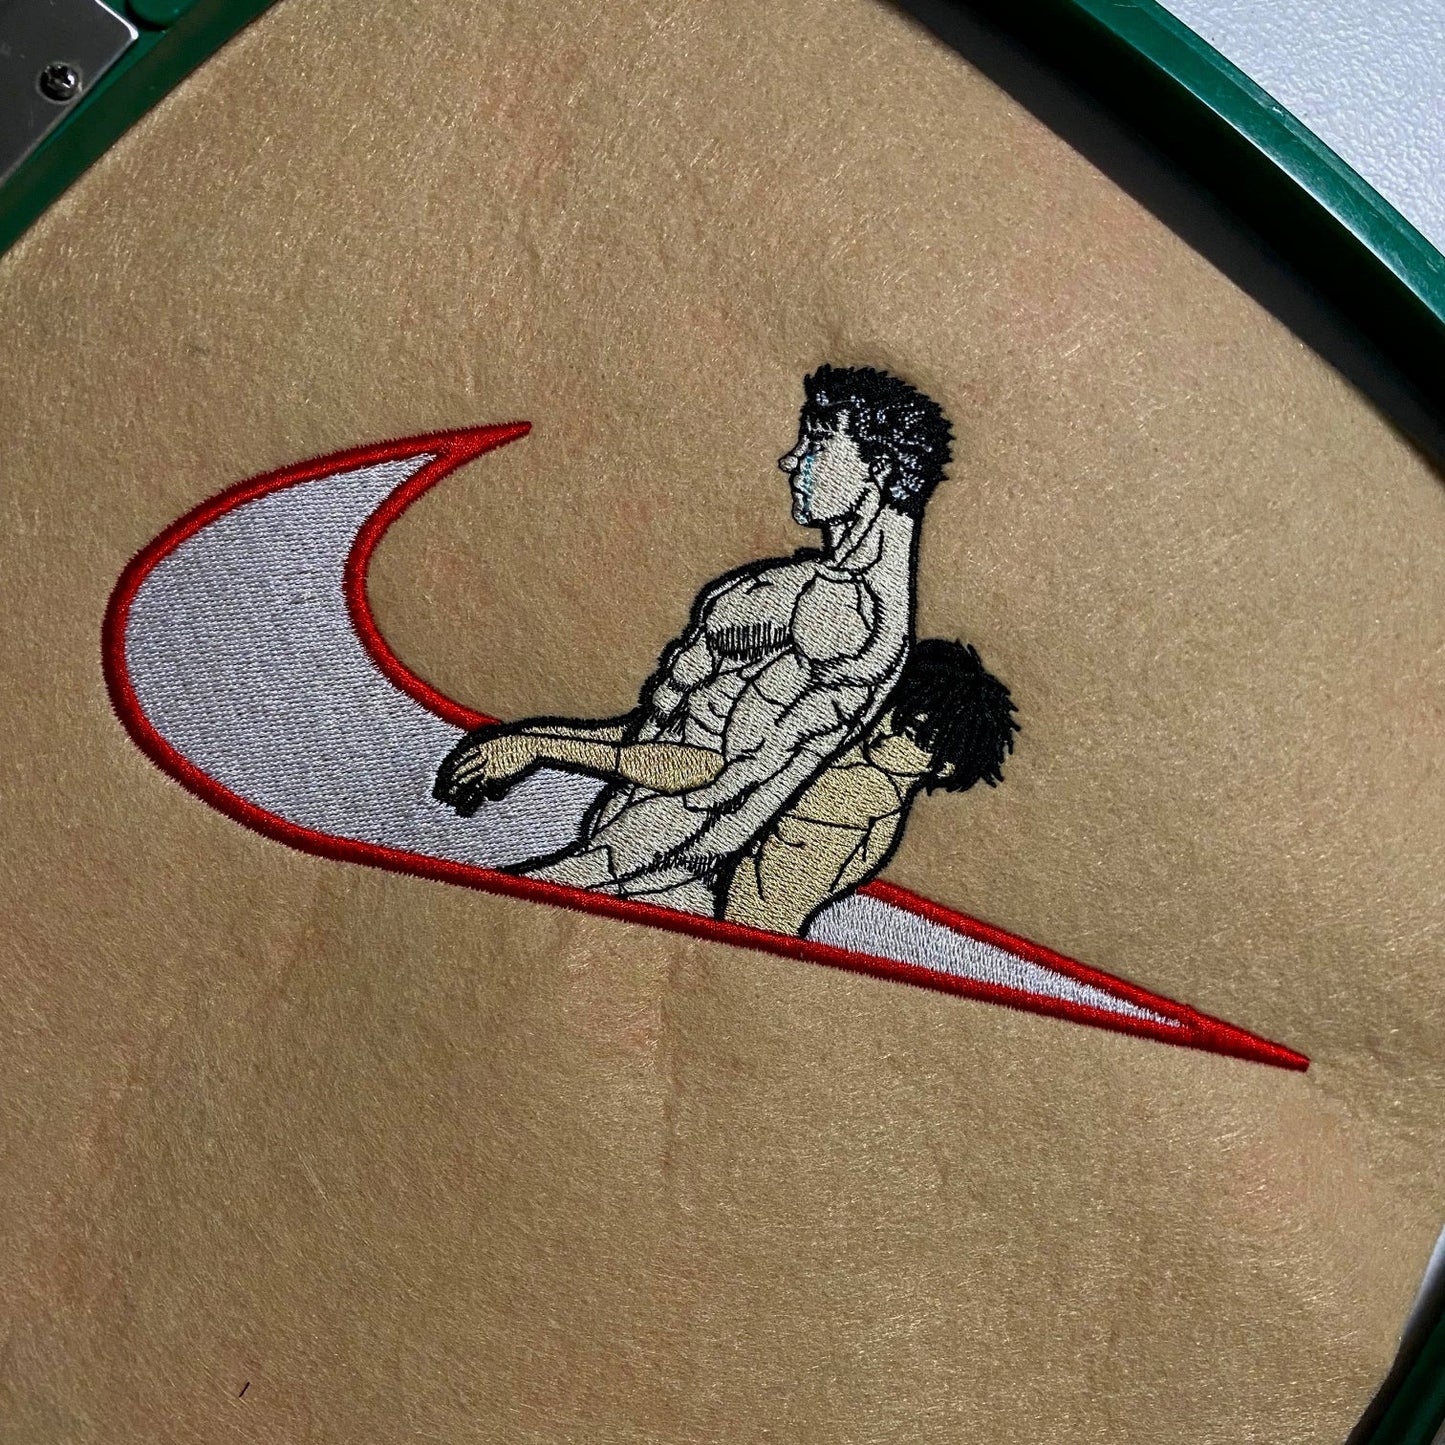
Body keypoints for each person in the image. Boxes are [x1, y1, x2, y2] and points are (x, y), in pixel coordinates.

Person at [433, 365, 953, 914]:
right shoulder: (822, 593)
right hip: (633, 857)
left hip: (636, 868)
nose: (792, 460)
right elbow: (671, 727)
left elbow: (712, 770)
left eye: (819, 442)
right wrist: (537, 741)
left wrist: (539, 746)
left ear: (879, 468)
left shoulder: (846, 617)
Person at [721, 638, 1019, 936]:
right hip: (751, 924)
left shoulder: (869, 789)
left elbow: (762, 786)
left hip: (740, 922)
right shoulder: (880, 797)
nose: (886, 730)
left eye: (911, 733)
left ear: (945, 766)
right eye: (891, 709)